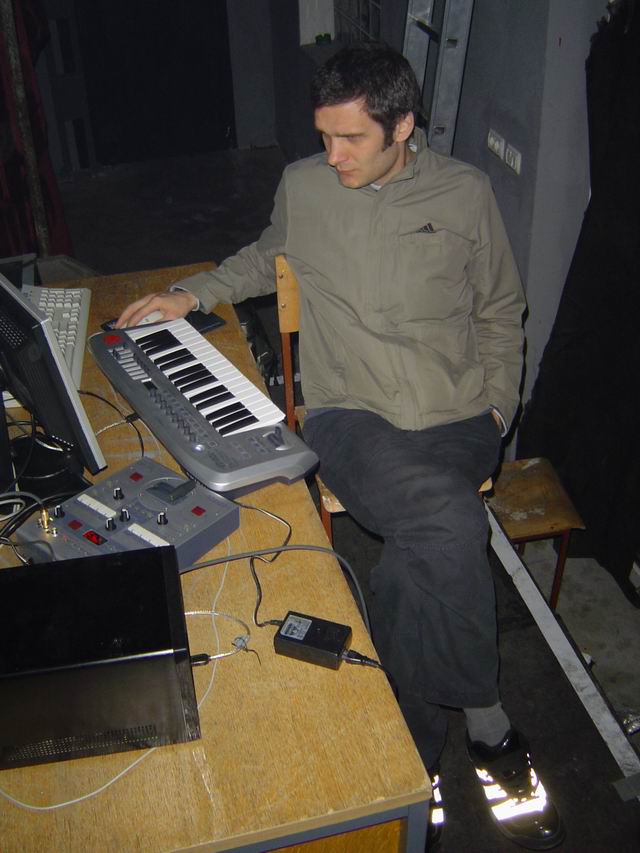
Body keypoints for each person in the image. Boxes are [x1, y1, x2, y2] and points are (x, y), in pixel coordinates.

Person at [118, 43, 565, 850]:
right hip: (351, 416)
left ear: (403, 125)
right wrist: (190, 293)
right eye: (323, 136)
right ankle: (483, 721)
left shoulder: (464, 193)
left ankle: (413, 750)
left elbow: (503, 309)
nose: (333, 155)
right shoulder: (305, 186)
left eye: (351, 138)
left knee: (422, 547)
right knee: (449, 520)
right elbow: (268, 255)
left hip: (458, 417)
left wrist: (499, 408)